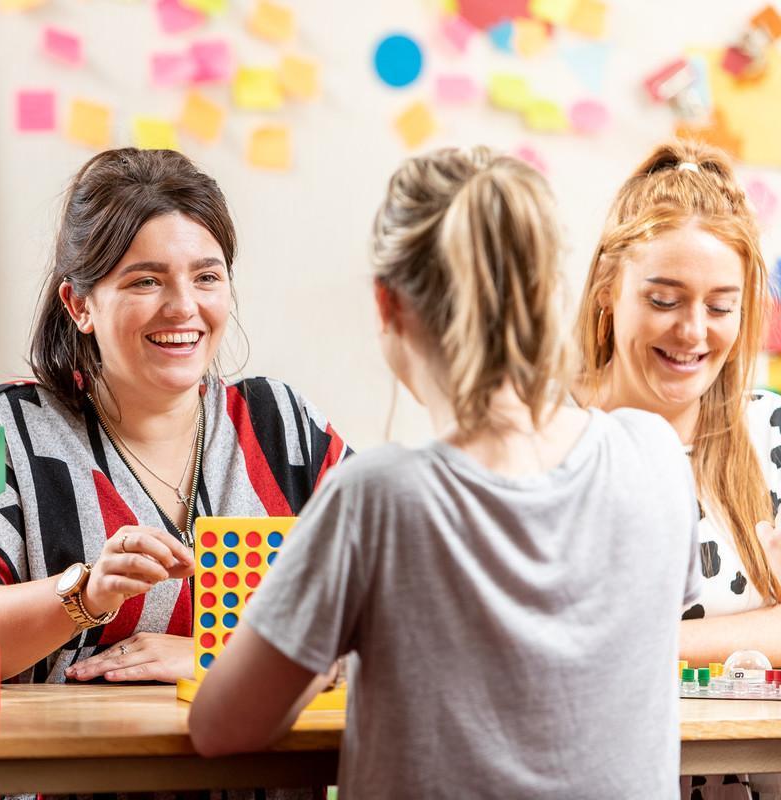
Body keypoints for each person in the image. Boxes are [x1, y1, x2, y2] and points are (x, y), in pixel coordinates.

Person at [188, 146, 701, 798]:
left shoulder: (376, 496)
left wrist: (319, 651)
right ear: (548, 292)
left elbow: (220, 726)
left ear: (388, 305)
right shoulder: (655, 453)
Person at [0, 148, 346, 688]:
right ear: (79, 305)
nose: (182, 307)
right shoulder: (9, 432)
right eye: (146, 281)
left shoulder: (281, 425)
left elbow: (396, 612)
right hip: (78, 772)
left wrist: (213, 659)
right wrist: (86, 594)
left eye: (206, 277)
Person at [573, 139, 781, 799]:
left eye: (721, 307)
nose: (694, 332)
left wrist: (643, 647)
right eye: (665, 299)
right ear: (608, 287)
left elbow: (594, 648)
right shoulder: (545, 439)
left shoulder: (769, 433)